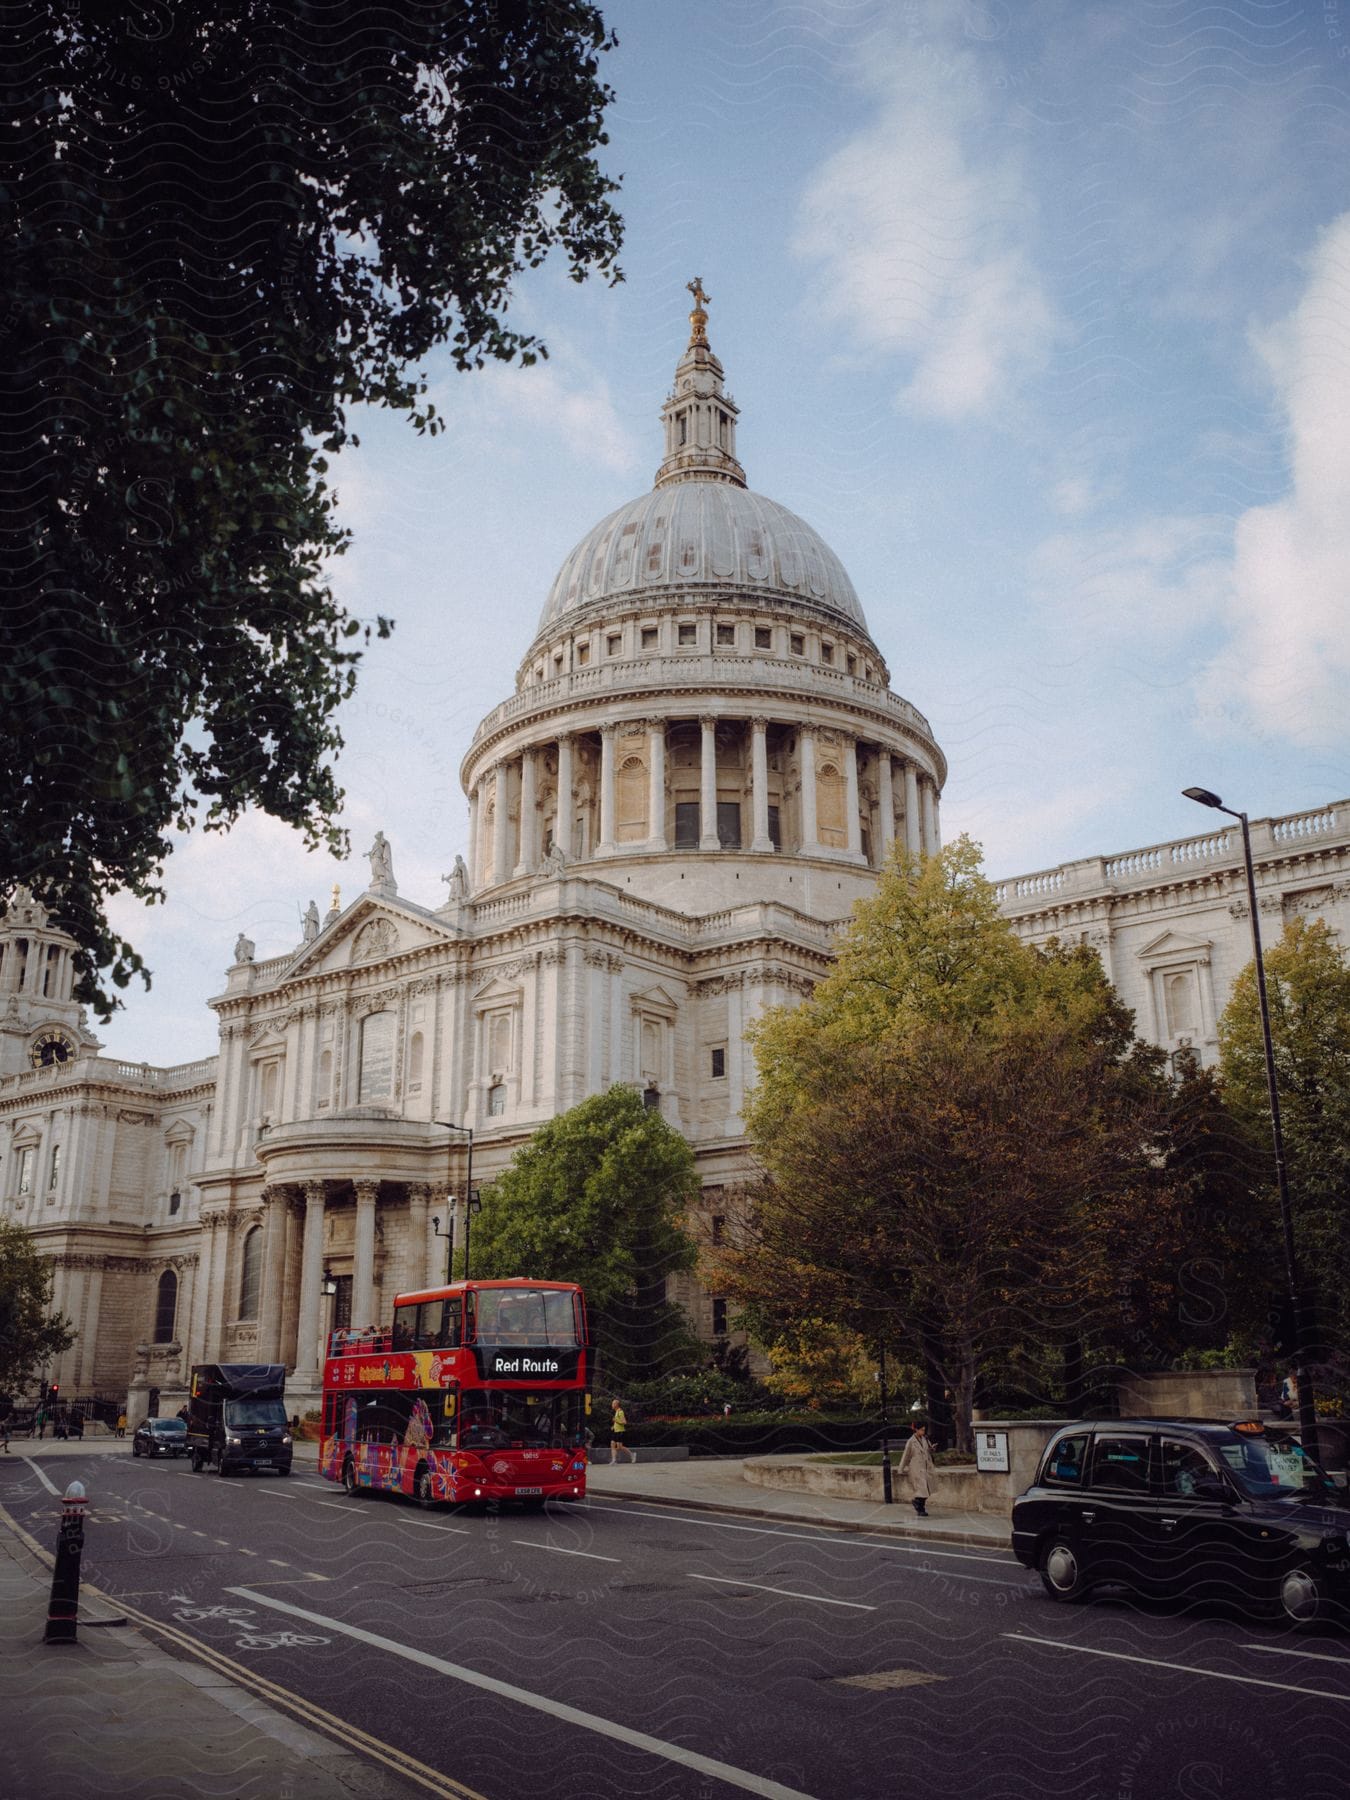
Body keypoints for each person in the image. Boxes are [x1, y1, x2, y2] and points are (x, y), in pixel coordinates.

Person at [897, 1420, 935, 1517]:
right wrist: (901, 1469)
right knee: (922, 1490)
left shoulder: (925, 1439)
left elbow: (928, 1450)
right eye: (921, 1430)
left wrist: (932, 1449)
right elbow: (906, 1456)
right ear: (916, 1430)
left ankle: (917, 1503)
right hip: (916, 1469)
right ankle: (920, 1508)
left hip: (926, 1468)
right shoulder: (911, 1442)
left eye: (924, 1430)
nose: (923, 1432)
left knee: (927, 1489)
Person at [610, 1399, 634, 1465]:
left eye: (613, 1404)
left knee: (620, 1447)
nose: (611, 1405)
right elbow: (617, 1421)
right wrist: (613, 1426)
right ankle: (614, 1460)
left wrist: (616, 1421)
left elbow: (624, 1422)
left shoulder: (620, 1412)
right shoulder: (616, 1411)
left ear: (616, 1405)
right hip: (615, 1431)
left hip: (620, 1431)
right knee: (612, 1445)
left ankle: (632, 1454)